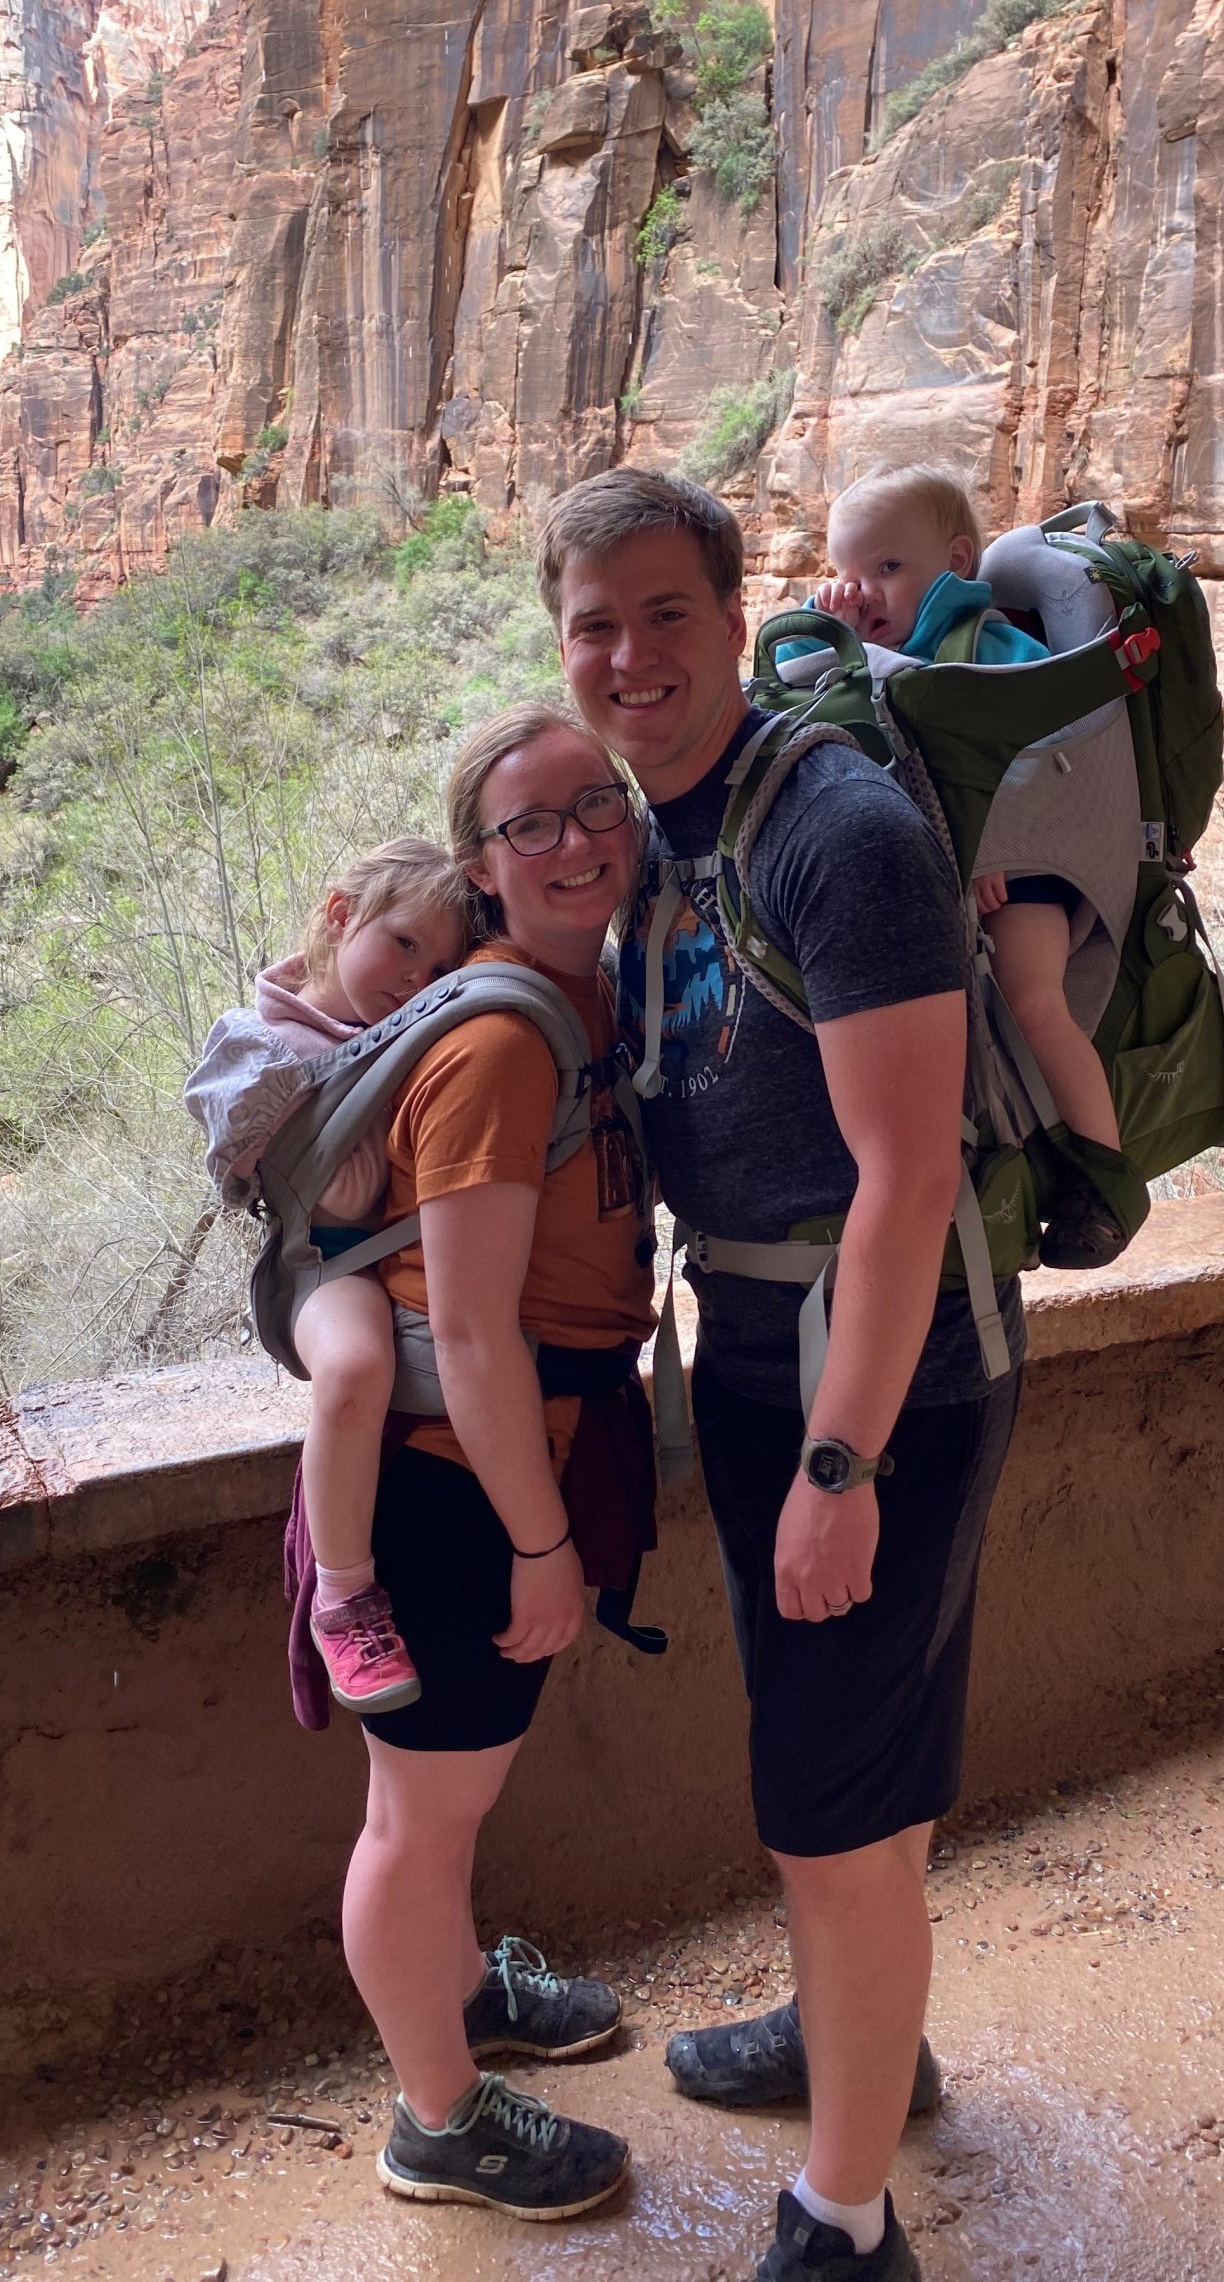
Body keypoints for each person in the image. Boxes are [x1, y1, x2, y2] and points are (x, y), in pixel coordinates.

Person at [544, 467, 1024, 2282]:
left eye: (667, 612)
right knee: (843, 1769)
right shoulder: (659, 832)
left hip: (882, 1380)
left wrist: (844, 1467)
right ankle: (861, 2039)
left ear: (737, 621)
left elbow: (906, 1178)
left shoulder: (835, 828)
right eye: (596, 624)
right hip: (762, 1360)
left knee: (831, 1812)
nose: (632, 655)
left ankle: (845, 2219)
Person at [341, 703, 657, 2223]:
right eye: (530, 824)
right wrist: (540, 1544)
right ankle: (436, 2119)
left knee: (451, 1799)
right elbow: (467, 1336)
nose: (575, 841)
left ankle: (464, 1988)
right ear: (480, 863)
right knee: (421, 1819)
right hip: (454, 1484)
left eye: (596, 805)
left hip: (511, 1456)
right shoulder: (499, 1045)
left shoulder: (582, 998)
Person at [808, 462, 1137, 1268]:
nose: (866, 591)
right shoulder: (879, 650)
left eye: (888, 567)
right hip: (942, 868)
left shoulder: (988, 642)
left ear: (955, 562)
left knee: (1033, 1003)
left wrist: (992, 847)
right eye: (849, 574)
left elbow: (1036, 744)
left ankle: (1108, 1181)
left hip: (1022, 865)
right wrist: (837, 634)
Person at [246, 841, 469, 1714]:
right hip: (326, 1260)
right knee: (354, 1366)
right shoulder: (266, 1035)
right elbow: (237, 1143)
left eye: (439, 966)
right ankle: (344, 1599)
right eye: (404, 943)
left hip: (406, 1249)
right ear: (341, 916)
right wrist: (299, 1155)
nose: (416, 976)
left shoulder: (416, 1030)